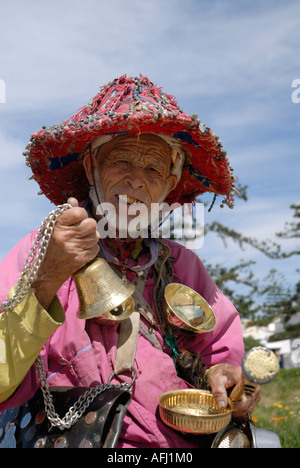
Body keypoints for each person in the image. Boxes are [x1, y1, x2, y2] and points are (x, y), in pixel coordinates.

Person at [0, 74, 261, 448]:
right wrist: (46, 281)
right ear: (91, 167)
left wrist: (228, 380)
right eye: (121, 161)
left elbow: (220, 354)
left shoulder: (182, 266)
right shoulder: (43, 251)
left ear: (169, 186)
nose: (136, 181)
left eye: (153, 169)